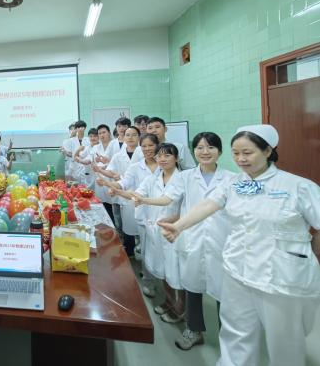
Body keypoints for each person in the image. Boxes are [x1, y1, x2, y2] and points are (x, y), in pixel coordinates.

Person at [159, 125, 320, 366]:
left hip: (279, 278)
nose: (241, 159)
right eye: (236, 153)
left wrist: (312, 253)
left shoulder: (298, 186)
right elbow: (207, 205)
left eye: (247, 152)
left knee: (284, 341)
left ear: (268, 151)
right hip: (236, 271)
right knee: (235, 333)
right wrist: (179, 226)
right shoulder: (233, 183)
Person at [135, 132, 236, 349]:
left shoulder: (231, 179)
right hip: (192, 237)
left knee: (224, 293)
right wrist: (144, 200)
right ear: (193, 151)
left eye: (210, 147)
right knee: (192, 287)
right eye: (200, 148)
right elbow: (168, 199)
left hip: (221, 240)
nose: (205, 152)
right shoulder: (186, 177)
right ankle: (194, 330)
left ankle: (228, 340)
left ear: (220, 151)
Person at [118, 143, 185, 323]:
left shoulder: (182, 178)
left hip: (176, 231)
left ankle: (181, 308)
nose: (162, 159)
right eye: (159, 156)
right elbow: (137, 194)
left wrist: (142, 200)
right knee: (164, 270)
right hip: (157, 230)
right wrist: (118, 190)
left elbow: (166, 200)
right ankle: (169, 301)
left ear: (176, 158)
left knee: (177, 272)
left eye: (167, 155)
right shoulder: (153, 179)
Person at [99, 134, 161, 297]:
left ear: (157, 145)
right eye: (144, 146)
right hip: (144, 213)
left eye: (151, 145)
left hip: (164, 214)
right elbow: (124, 183)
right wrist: (111, 185)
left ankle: (164, 281)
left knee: (165, 252)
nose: (147, 149)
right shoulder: (135, 167)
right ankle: (148, 281)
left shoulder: (165, 165)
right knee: (147, 250)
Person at [96, 126, 141, 256]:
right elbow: (111, 171)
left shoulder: (144, 153)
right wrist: (100, 171)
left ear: (139, 137)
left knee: (142, 226)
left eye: (134, 135)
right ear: (123, 137)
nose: (130, 138)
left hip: (141, 194)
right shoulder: (118, 156)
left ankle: (141, 249)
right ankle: (130, 250)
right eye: (128, 135)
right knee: (127, 224)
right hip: (124, 193)